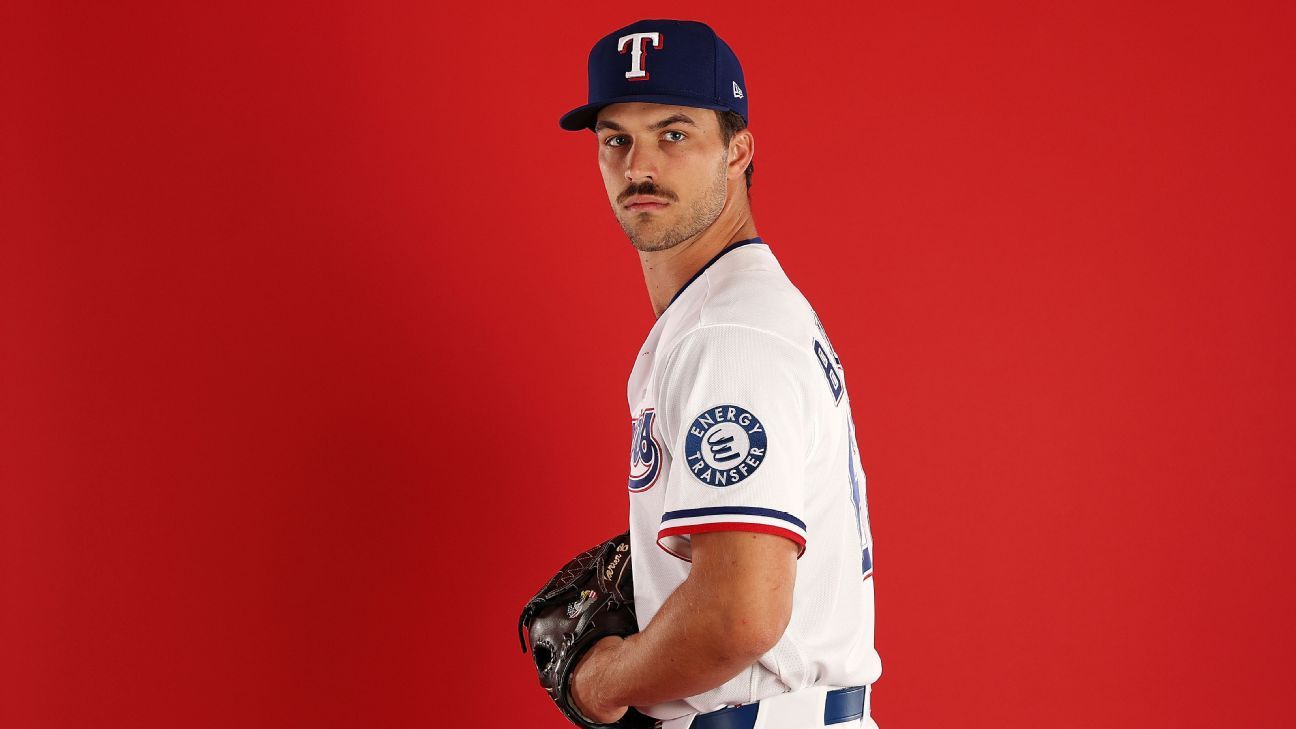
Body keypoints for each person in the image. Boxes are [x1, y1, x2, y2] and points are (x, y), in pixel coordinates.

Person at [557, 19, 882, 729]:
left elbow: (739, 614)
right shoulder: (733, 310)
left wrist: (602, 681)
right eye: (616, 140)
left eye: (673, 134)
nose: (639, 166)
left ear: (737, 152)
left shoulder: (728, 334)